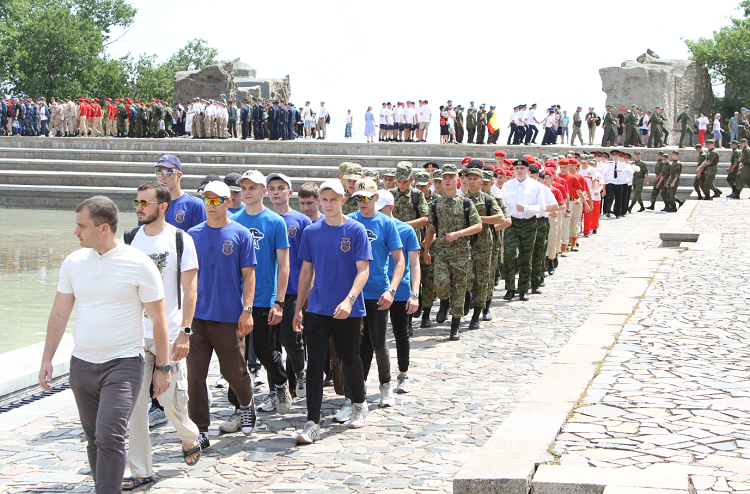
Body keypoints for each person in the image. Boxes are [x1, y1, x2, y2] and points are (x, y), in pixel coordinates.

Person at [38, 196, 170, 494]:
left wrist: (163, 367)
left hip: (123, 364)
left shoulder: (139, 264)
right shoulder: (73, 262)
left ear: (104, 228)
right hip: (81, 365)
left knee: (110, 435)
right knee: (94, 437)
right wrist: (47, 359)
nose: (76, 233)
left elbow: (159, 320)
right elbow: (59, 314)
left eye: (81, 226)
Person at [124, 182, 201, 490]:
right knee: (136, 406)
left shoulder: (181, 240)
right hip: (136, 336)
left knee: (172, 402)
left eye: (145, 202)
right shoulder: (130, 239)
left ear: (163, 206)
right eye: (137, 202)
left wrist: (185, 332)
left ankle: (188, 435)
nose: (139, 207)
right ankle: (141, 470)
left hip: (169, 335)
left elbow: (190, 290)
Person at [293, 180, 372, 444]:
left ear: (342, 200)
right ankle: (312, 421)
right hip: (317, 308)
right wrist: (298, 309)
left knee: (350, 360)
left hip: (349, 309)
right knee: (315, 364)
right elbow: (306, 271)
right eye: (323, 200)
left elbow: (363, 270)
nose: (328, 204)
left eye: (333, 199)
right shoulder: (311, 232)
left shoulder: (356, 230)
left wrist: (349, 300)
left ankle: (359, 404)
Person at [187, 180, 258, 450]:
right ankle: (200, 429)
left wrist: (247, 310)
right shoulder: (192, 234)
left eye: (217, 200)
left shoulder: (240, 234)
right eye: (207, 199)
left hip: (228, 315)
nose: (211, 205)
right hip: (196, 317)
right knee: (195, 376)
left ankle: (245, 404)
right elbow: (185, 276)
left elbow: (249, 275)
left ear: (228, 201)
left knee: (235, 372)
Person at [228, 170, 292, 417]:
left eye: (252, 187)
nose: (246, 191)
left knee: (266, 351)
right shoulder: (233, 221)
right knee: (237, 356)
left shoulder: (275, 222)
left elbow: (284, 265)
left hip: (265, 298)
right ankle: (239, 407)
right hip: (238, 300)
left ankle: (280, 383)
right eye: (243, 187)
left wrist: (279, 302)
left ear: (263, 191)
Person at [423, 164, 482, 340]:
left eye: (450, 177)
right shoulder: (436, 204)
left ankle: (455, 325)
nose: (447, 181)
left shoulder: (465, 202)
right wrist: (426, 251)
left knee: (459, 289)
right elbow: (431, 229)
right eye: (444, 178)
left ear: (457, 179)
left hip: (462, 253)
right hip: (441, 252)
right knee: (441, 283)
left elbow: (478, 226)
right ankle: (443, 302)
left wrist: (459, 234)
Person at [376, 189, 420, 393]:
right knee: (374, 337)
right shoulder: (370, 226)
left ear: (391, 207)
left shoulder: (405, 230)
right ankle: (379, 378)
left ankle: (403, 374)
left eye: (380, 208)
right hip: (377, 290)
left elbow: (414, 264)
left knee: (401, 334)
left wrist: (415, 293)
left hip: (400, 291)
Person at [500, 159, 547, 302]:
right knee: (508, 254)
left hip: (529, 223)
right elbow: (501, 204)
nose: (519, 171)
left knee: (526, 257)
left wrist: (527, 208)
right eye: (516, 168)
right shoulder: (507, 186)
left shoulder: (536, 186)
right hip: (512, 223)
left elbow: (542, 207)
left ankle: (523, 289)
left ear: (527, 170)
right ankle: (509, 288)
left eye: (522, 168)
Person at [464, 168, 504, 328]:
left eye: (475, 179)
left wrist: (479, 219)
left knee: (482, 279)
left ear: (481, 181)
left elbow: (500, 217)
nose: (472, 181)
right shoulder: (461, 199)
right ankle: (466, 302)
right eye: (469, 179)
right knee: (466, 277)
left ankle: (477, 313)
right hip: (464, 244)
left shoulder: (487, 199)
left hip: (483, 245)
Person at [154, 154, 207, 230]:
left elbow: (200, 237)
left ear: (179, 176)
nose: (162, 177)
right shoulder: (151, 204)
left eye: (168, 173)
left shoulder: (195, 205)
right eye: (159, 172)